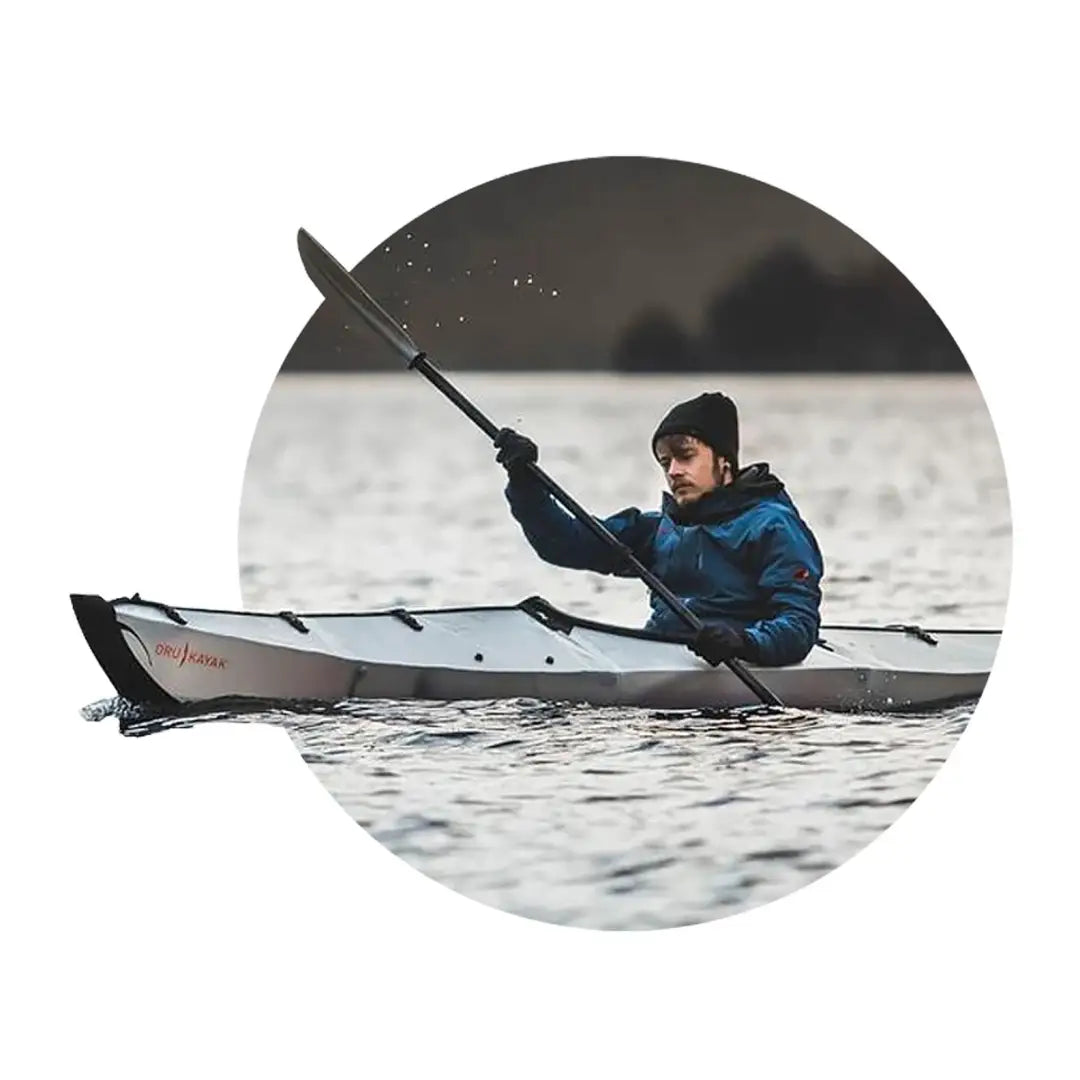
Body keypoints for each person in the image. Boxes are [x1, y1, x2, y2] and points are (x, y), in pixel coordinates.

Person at [493, 392, 824, 668]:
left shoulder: (773, 526)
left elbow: (799, 625)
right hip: (661, 660)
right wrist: (525, 483)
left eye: (685, 457)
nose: (674, 471)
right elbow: (564, 544)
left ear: (724, 462)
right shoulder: (657, 529)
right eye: (666, 462)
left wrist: (744, 643)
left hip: (738, 665)